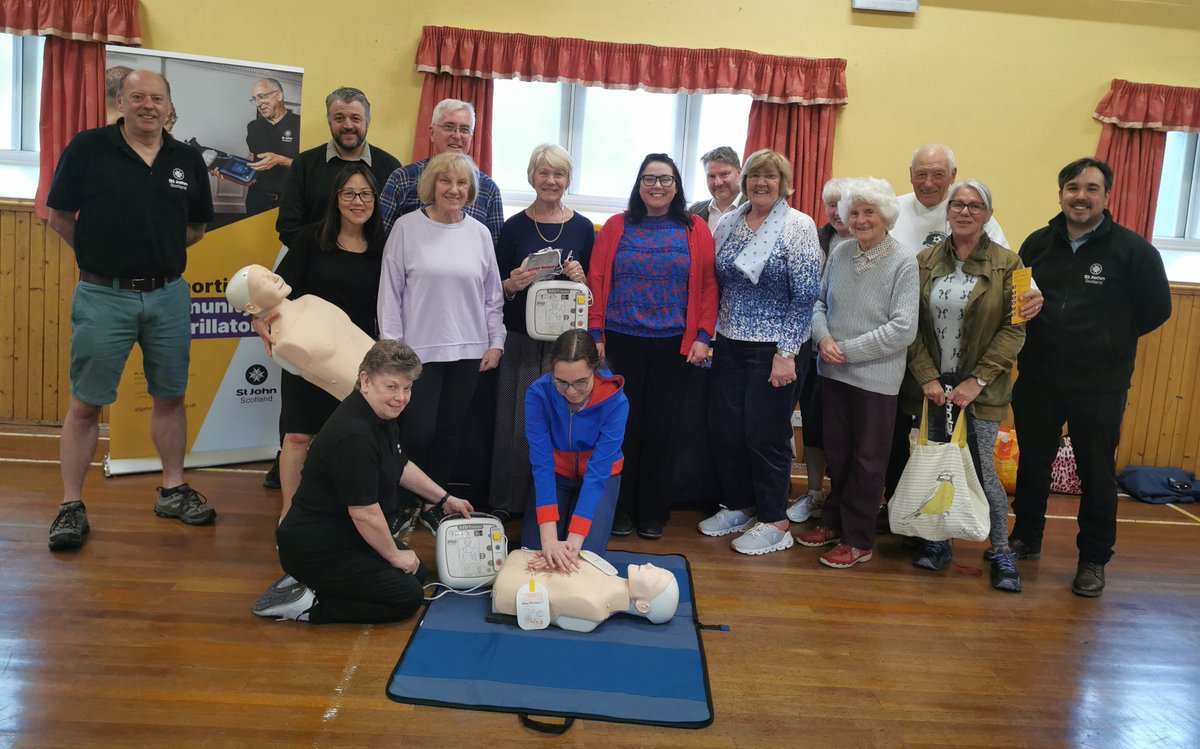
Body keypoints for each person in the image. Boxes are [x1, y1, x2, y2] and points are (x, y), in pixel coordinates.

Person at [45, 70, 216, 551]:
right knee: (85, 405)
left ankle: (172, 489)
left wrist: (152, 252)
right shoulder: (88, 148)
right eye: (138, 97)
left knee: (170, 396)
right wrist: (101, 255)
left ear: (168, 106)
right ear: (121, 101)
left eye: (157, 98)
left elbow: (196, 228)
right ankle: (71, 506)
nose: (148, 105)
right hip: (103, 296)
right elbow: (59, 216)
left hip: (168, 295)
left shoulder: (186, 159)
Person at [1011, 158, 1171, 597]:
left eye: (1092, 188)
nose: (1081, 196)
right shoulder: (1037, 244)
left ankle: (1094, 559)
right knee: (1033, 464)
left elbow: (1157, 310)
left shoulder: (1133, 251)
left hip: (1100, 385)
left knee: (1096, 473)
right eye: (1072, 187)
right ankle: (1026, 537)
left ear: (1106, 196)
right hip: (1039, 377)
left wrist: (1109, 340)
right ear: (1060, 193)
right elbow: (1019, 299)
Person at [261, 340, 475, 624]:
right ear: (365, 380)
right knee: (406, 597)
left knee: (417, 573)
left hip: (344, 535)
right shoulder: (354, 436)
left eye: (407, 388)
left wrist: (445, 499)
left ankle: (314, 586)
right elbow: (362, 512)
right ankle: (308, 605)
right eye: (391, 387)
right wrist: (394, 557)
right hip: (317, 548)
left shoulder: (379, 414)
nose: (401, 397)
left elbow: (399, 465)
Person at [902, 180, 1028, 591]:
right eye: (957, 204)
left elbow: (1017, 330)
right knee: (937, 466)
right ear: (948, 211)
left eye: (975, 206)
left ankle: (1002, 551)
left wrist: (978, 379)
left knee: (984, 471)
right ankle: (937, 542)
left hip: (983, 389)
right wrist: (927, 377)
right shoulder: (922, 260)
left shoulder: (1014, 263)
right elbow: (912, 326)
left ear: (988, 214)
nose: (964, 211)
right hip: (935, 388)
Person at [696, 150, 822, 555]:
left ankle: (774, 519)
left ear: (783, 182)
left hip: (775, 348)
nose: (761, 183)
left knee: (766, 436)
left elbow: (805, 297)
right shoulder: (731, 222)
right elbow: (719, 281)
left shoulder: (799, 226)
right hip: (729, 342)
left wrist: (786, 354)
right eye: (754, 176)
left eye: (770, 176)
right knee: (726, 430)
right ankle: (739, 504)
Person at [587, 153, 718, 540]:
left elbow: (709, 286)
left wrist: (703, 336)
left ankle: (653, 513)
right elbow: (596, 281)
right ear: (638, 185)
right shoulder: (616, 225)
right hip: (621, 343)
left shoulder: (695, 228)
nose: (657, 186)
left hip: (672, 348)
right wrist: (596, 334)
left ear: (676, 186)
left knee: (663, 430)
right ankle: (620, 509)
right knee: (622, 430)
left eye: (665, 179)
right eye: (649, 179)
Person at [248, 164, 386, 522]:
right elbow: (274, 292)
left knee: (350, 439)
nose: (358, 202)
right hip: (306, 356)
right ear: (336, 199)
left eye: (366, 194)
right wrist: (258, 319)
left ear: (375, 200)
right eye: (349, 194)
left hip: (356, 358)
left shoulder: (385, 245)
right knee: (296, 437)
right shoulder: (311, 239)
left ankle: (345, 516)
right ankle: (290, 515)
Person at [883, 144, 1011, 519]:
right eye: (921, 173)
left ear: (953, 176)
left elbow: (1017, 300)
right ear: (910, 174)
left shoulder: (995, 241)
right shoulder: (895, 211)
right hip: (905, 359)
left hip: (968, 369)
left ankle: (993, 542)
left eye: (938, 174)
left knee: (973, 463)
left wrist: (1033, 297)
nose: (929, 182)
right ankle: (908, 521)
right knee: (906, 449)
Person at [378, 152, 505, 528]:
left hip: (468, 350)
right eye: (445, 181)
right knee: (416, 431)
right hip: (415, 353)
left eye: (462, 183)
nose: (454, 189)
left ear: (471, 190)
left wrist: (495, 342)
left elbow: (492, 296)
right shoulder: (406, 227)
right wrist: (392, 348)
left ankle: (436, 506)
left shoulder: (480, 233)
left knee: (450, 433)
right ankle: (401, 503)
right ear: (430, 185)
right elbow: (390, 292)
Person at [797, 177, 919, 568]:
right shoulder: (841, 251)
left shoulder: (904, 261)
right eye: (855, 212)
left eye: (870, 212)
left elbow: (903, 328)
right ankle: (833, 523)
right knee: (839, 455)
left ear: (886, 216)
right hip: (833, 374)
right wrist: (822, 339)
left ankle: (859, 539)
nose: (861, 219)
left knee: (868, 462)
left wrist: (844, 350)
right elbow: (818, 304)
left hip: (875, 381)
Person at [490, 145, 595, 515]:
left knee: (561, 423)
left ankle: (551, 505)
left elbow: (592, 293)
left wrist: (582, 279)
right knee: (515, 425)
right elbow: (494, 288)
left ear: (568, 179)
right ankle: (508, 504)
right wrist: (511, 283)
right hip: (519, 337)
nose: (551, 181)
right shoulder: (514, 226)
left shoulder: (582, 227)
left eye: (559, 174)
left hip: (567, 346)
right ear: (531, 176)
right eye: (543, 173)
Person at [522, 330, 628, 570]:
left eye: (581, 382)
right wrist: (549, 541)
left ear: (595, 369)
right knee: (534, 554)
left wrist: (573, 545)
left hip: (599, 477)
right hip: (556, 474)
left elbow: (598, 474)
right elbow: (542, 464)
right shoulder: (538, 394)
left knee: (583, 561)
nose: (570, 391)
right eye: (561, 382)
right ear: (552, 372)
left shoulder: (616, 401)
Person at [787, 177, 849, 524]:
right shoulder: (816, 237)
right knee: (813, 423)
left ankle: (841, 499)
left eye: (843, 203)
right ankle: (813, 492)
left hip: (853, 353)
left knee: (842, 430)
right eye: (830, 204)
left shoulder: (870, 242)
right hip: (811, 347)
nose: (836, 211)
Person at [276, 87, 402, 248]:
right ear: (329, 121)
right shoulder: (304, 164)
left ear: (368, 121)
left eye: (355, 118)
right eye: (339, 118)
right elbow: (288, 227)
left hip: (373, 267)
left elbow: (397, 231)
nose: (348, 125)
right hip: (313, 266)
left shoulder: (391, 167)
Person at [379, 98, 504, 245]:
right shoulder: (402, 179)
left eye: (464, 129)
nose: (457, 135)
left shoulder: (488, 189)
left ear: (471, 137)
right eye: (449, 127)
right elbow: (380, 239)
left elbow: (494, 253)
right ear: (432, 133)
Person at [492, 549, 678, 633]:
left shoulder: (593, 608)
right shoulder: (606, 573)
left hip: (510, 583)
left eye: (656, 577)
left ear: (643, 606)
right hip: (520, 563)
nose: (650, 564)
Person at [244, 78, 300, 217]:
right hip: (256, 199)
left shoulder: (300, 124)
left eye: (262, 97)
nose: (258, 103)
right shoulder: (253, 127)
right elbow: (252, 157)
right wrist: (226, 167)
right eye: (255, 99)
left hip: (290, 201)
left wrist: (281, 160)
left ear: (279, 96)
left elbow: (310, 167)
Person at [687, 146, 743, 233]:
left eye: (724, 174)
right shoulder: (695, 211)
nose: (718, 182)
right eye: (711, 176)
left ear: (739, 173)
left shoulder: (755, 209)